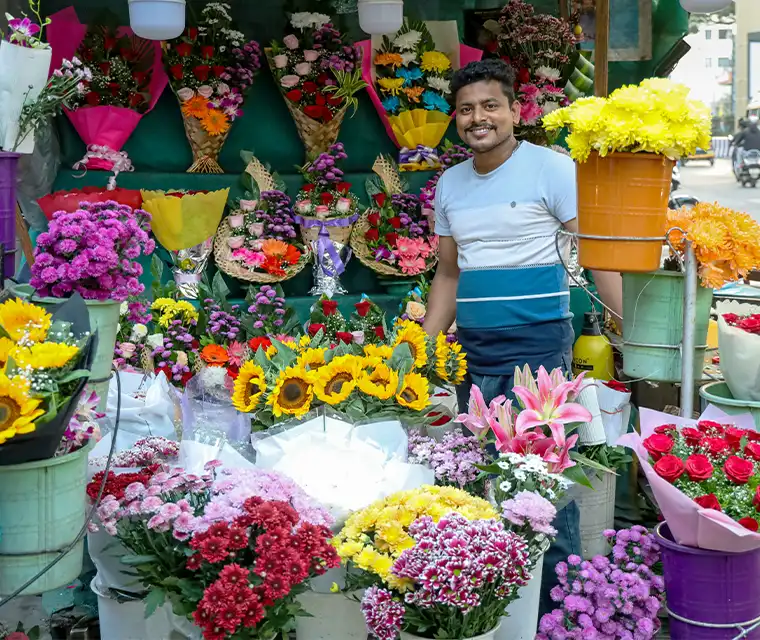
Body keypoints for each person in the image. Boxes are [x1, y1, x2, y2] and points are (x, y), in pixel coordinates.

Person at [422, 59, 622, 618]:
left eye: (490, 105)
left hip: (537, 354)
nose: (477, 118)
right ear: (454, 119)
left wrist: (629, 324)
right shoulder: (451, 184)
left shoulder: (551, 170)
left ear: (515, 111)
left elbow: (597, 248)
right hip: (476, 357)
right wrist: (419, 343)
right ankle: (508, 610)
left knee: (543, 488)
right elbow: (448, 274)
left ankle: (559, 614)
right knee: (492, 486)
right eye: (465, 109)